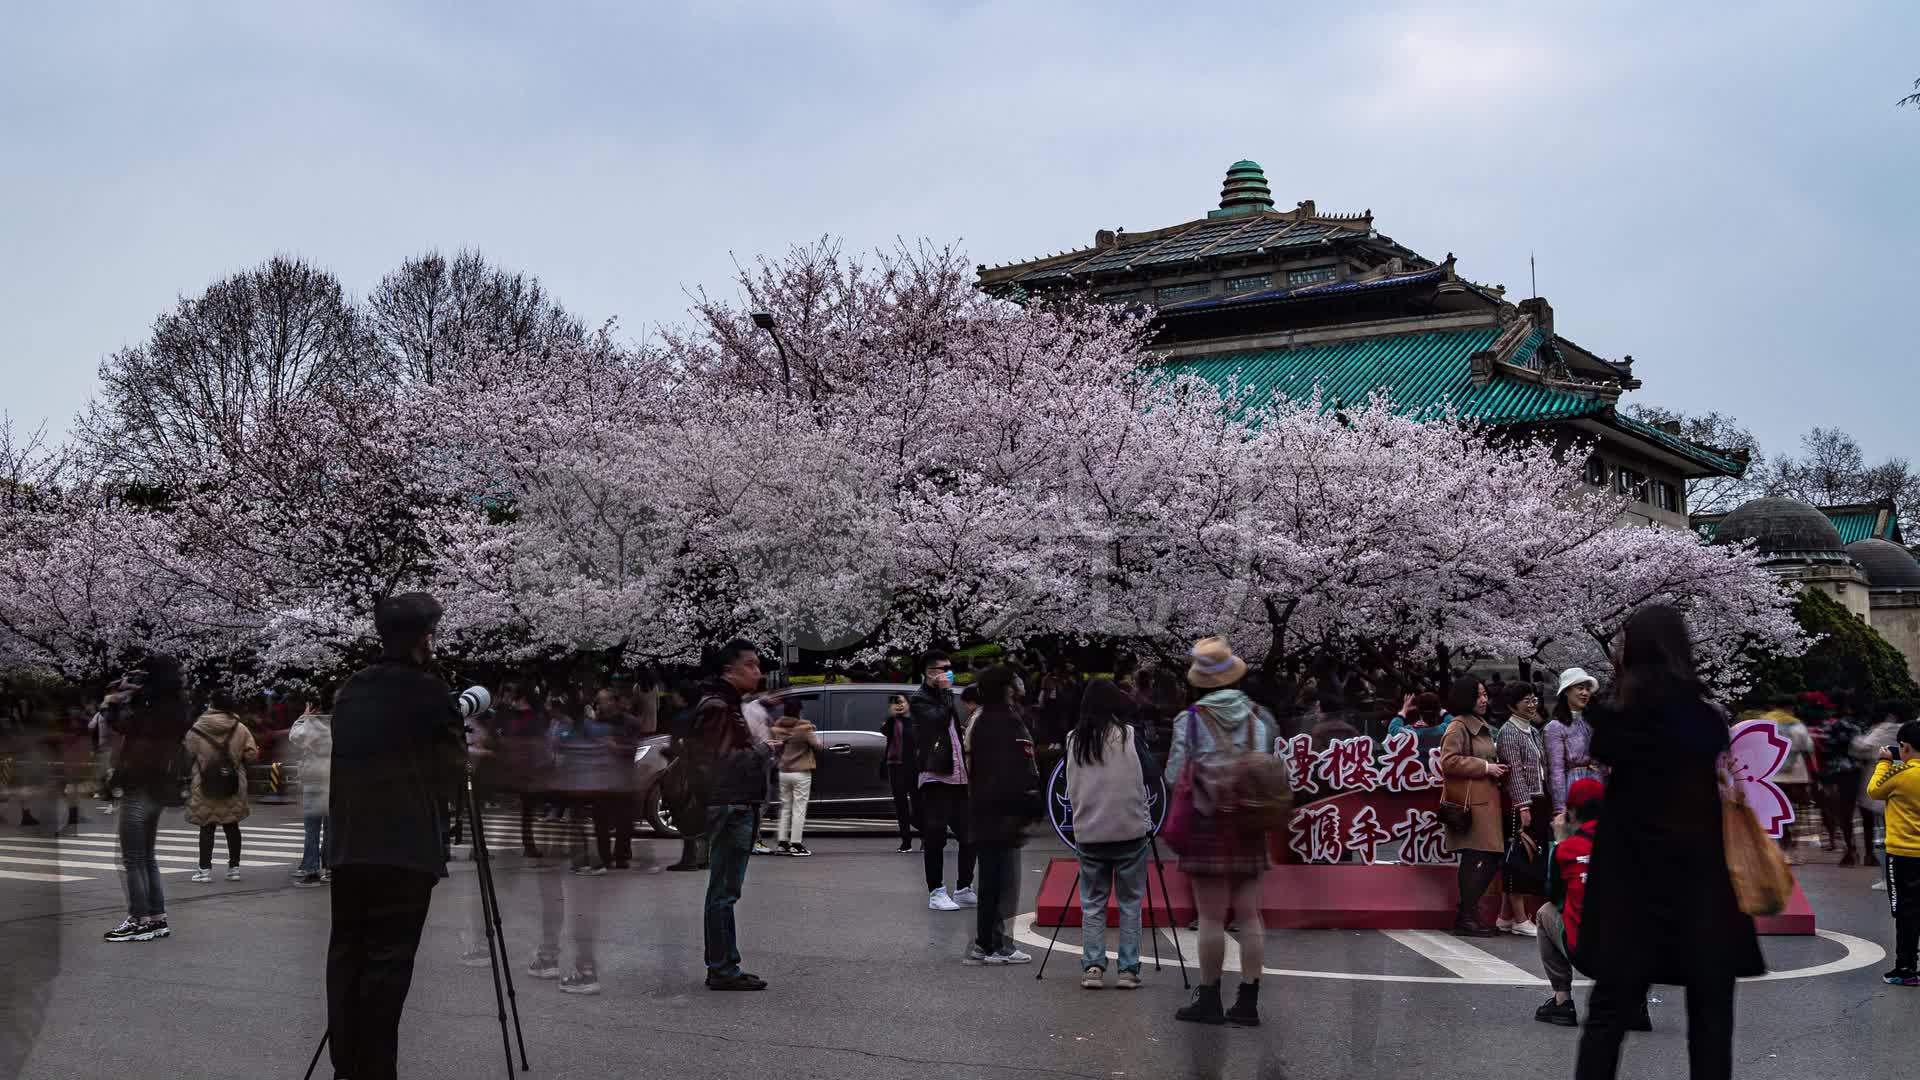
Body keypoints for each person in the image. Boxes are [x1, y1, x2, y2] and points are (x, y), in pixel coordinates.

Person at [1575, 604, 1765, 1080]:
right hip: (1701, 883)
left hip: (1630, 884)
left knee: (1607, 1016)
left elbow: (1604, 747)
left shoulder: (1616, 721)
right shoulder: (1706, 719)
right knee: (1711, 1021)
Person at [325, 592, 468, 1080]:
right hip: (404, 848)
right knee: (388, 965)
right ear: (424, 638)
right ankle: (377, 1070)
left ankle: (348, 1065)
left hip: (349, 845)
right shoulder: (430, 692)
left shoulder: (350, 689)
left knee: (347, 956)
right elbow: (452, 770)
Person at [1168, 637, 1272, 1027]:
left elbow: (1173, 774)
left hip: (1207, 824)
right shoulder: (1259, 717)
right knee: (1249, 916)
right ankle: (1248, 1002)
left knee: (1210, 918)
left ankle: (1209, 998)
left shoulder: (1190, 720)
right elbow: (1271, 768)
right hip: (1249, 822)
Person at [1066, 678, 1162, 989]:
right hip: (1129, 829)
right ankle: (1128, 969)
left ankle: (1093, 967)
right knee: (1130, 902)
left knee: (1093, 902)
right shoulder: (1128, 736)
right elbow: (1151, 773)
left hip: (1089, 831)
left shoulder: (1073, 740)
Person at [692, 639, 774, 991]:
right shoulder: (718, 707)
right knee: (724, 892)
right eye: (751, 665)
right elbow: (721, 762)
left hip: (734, 803)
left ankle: (725, 964)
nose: (758, 671)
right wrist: (761, 749)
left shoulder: (726, 704)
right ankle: (723, 968)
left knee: (725, 890)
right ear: (730, 669)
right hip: (730, 805)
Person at [102, 655, 191, 942]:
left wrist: (117, 697)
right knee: (146, 857)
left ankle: (139, 920)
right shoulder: (178, 707)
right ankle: (156, 918)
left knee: (132, 858)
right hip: (160, 789)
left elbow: (122, 727)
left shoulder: (149, 710)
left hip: (137, 787)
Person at [962, 665, 1041, 966]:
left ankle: (986, 944)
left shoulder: (982, 720)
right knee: (1003, 884)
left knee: (990, 882)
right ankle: (997, 946)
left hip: (984, 811)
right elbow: (1020, 769)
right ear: (1007, 687)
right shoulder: (1007, 720)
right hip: (1004, 814)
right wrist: (1027, 804)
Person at [1439, 676, 1508, 938]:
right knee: (1477, 859)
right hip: (1472, 804)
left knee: (1485, 859)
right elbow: (1448, 761)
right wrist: (1485, 767)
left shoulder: (1478, 725)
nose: (1484, 699)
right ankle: (1467, 915)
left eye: (1485, 694)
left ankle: (1468, 913)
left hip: (1485, 801)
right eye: (1478, 695)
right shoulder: (1458, 727)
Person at [909, 651, 977, 912]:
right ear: (929, 672)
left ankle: (963, 888)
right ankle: (936, 892)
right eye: (942, 669)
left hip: (958, 775)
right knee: (935, 837)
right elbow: (936, 722)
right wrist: (945, 693)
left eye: (950, 668)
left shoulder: (945, 696)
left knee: (970, 835)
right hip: (935, 776)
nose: (948, 672)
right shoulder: (919, 700)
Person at [1535, 777, 1605, 1026]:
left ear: (1572, 813)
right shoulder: (1630, 844)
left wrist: (1560, 840)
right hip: (1633, 956)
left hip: (1588, 954)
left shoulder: (1569, 848)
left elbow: (1554, 895)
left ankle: (1562, 1001)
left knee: (1545, 913)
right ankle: (1636, 1004)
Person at [184, 697, 258, 884]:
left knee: (207, 826)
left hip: (204, 783)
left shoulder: (197, 729)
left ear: (211, 706)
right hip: (232, 783)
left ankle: (204, 870)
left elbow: (186, 754)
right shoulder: (239, 728)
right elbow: (251, 755)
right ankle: (234, 869)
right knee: (232, 825)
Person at [1868, 722, 1920, 985]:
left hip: (1902, 855)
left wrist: (1883, 762)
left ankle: (1906, 969)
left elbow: (1874, 790)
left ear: (1905, 747)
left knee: (1905, 912)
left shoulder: (1900, 774)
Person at [1496, 682, 1550, 936]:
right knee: (1519, 858)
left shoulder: (1531, 730)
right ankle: (1519, 917)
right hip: (1523, 802)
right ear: (1511, 705)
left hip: (1538, 798)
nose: (1532, 704)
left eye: (1534, 699)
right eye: (1526, 700)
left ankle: (1505, 916)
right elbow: (1514, 772)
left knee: (1527, 856)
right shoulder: (1508, 731)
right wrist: (1523, 804)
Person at [1546, 667, 1605, 826]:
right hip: (1573, 786)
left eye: (1587, 689)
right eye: (1580, 688)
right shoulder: (1555, 727)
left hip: (1597, 782)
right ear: (1566, 691)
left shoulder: (1592, 721)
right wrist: (1560, 807)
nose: (1585, 693)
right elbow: (1556, 769)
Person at [1815, 697, 1866, 864]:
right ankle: (1869, 852)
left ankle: (1850, 849)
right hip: (1860, 771)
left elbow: (1824, 749)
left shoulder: (1832, 726)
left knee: (1845, 812)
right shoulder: (1862, 725)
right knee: (1866, 812)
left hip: (1839, 773)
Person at [289, 697, 334, 887]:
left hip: (314, 779)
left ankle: (311, 867)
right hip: (334, 779)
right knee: (332, 828)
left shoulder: (311, 724)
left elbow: (294, 736)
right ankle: (331, 868)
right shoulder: (341, 722)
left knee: (312, 829)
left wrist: (304, 716)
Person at [769, 699, 820, 856]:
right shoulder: (804, 728)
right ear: (799, 711)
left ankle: (782, 842)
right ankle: (796, 844)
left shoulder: (777, 728)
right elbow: (817, 745)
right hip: (801, 771)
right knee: (799, 808)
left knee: (785, 807)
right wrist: (812, 730)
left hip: (784, 770)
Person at [880, 693, 919, 854]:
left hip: (914, 768)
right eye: (895, 703)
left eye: (902, 702)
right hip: (895, 767)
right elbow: (885, 731)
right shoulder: (889, 723)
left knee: (918, 805)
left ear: (908, 704)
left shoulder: (915, 722)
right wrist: (893, 717)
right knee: (901, 806)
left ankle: (927, 837)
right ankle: (906, 841)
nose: (899, 705)